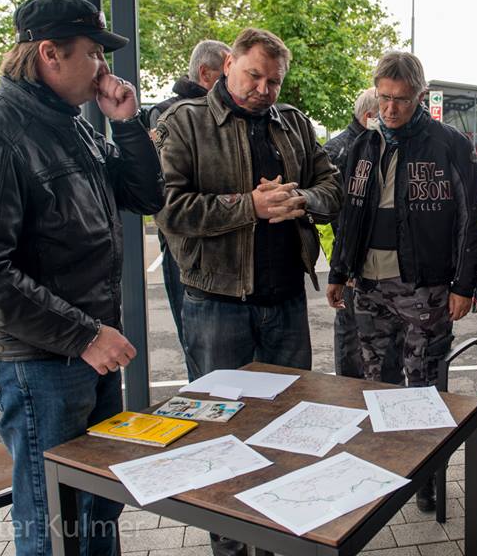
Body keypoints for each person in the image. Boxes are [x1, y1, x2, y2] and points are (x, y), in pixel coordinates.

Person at [0, 0, 164, 556]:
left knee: (99, 501)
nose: (103, 68)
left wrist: (127, 125)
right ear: (50, 54)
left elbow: (144, 196)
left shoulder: (70, 126)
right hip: (40, 362)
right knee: (55, 519)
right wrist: (83, 334)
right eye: (93, 53)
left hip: (87, 349)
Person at [154, 27, 340, 556]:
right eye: (254, 76)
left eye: (273, 81)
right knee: (220, 435)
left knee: (290, 429)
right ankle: (230, 545)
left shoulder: (294, 123)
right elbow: (167, 209)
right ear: (228, 64)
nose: (263, 89)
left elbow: (332, 187)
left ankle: (281, 534)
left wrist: (300, 199)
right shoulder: (184, 122)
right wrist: (249, 207)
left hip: (286, 302)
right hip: (216, 304)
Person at [326, 51, 477, 511]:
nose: (390, 108)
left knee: (424, 387)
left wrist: (464, 284)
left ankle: (427, 479)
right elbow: (349, 216)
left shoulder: (449, 144)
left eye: (400, 99)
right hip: (368, 286)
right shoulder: (363, 145)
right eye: (383, 97)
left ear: (419, 96)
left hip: (425, 288)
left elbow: (472, 218)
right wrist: (338, 272)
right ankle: (389, 470)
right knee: (378, 385)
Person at [149, 39, 231, 379]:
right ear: (205, 73)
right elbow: (169, 198)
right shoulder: (170, 115)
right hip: (187, 248)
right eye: (226, 73)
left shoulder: (231, 112)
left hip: (225, 244)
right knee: (200, 348)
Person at [322, 88, 404, 381]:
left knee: (376, 338)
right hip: (352, 264)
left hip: (362, 263)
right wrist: (343, 266)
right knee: (352, 336)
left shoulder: (375, 146)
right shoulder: (344, 150)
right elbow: (333, 217)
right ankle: (353, 394)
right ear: (370, 116)